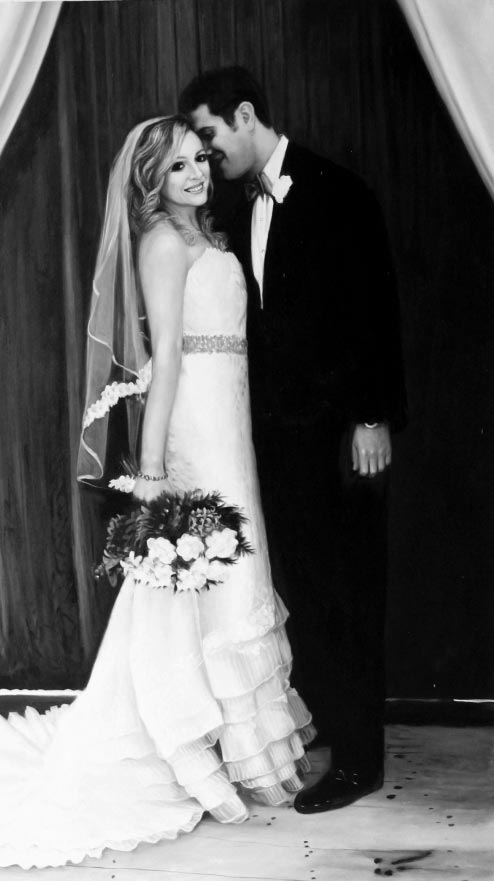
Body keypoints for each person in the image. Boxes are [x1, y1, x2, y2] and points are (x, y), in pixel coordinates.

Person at [0, 116, 315, 871]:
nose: (197, 174)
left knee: (235, 573)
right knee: (206, 579)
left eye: (200, 160)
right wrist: (155, 467)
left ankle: (243, 749)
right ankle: (197, 749)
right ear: (150, 182)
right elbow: (166, 364)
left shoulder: (207, 235)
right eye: (178, 167)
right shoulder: (162, 243)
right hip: (196, 424)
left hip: (232, 421)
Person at [179, 67, 407, 814]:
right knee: (307, 588)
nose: (206, 155)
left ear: (246, 115)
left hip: (343, 434)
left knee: (350, 589)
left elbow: (375, 307)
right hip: (277, 439)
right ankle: (337, 727)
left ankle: (361, 762)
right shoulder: (239, 204)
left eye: (210, 136)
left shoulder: (339, 191)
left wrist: (371, 416)